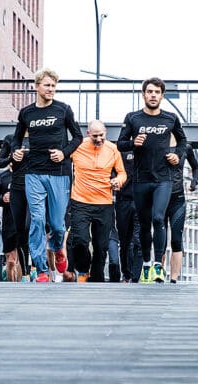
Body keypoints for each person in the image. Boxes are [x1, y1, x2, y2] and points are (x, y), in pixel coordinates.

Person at [11, 68, 82, 283]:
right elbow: (16, 140)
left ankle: (58, 247)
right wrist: (16, 151)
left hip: (59, 174)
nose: (51, 89)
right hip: (34, 173)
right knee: (37, 220)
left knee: (58, 224)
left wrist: (64, 153)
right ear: (37, 86)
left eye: (54, 86)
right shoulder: (26, 113)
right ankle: (42, 270)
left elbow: (78, 137)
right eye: (47, 85)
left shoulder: (63, 110)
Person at [117, 77, 188, 284]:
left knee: (158, 218)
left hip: (163, 179)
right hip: (140, 180)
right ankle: (146, 265)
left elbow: (183, 141)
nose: (153, 95)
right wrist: (132, 143)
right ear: (144, 94)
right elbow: (120, 144)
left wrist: (178, 156)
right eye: (150, 92)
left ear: (162, 96)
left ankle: (158, 265)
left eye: (157, 92)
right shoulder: (133, 118)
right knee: (145, 223)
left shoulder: (171, 118)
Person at [69, 120, 126, 282]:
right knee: (80, 240)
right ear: (88, 134)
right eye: (95, 136)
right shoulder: (77, 147)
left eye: (101, 135)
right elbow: (62, 160)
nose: (99, 139)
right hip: (80, 201)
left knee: (101, 247)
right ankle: (83, 269)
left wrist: (118, 181)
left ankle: (97, 278)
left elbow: (122, 173)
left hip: (104, 203)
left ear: (105, 132)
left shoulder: (113, 149)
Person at [0, 133, 31, 282]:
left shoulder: (29, 177)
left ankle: (23, 282)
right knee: (10, 260)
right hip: (8, 221)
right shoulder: (2, 177)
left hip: (24, 219)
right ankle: (11, 284)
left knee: (21, 256)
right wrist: (3, 199)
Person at [164, 140, 198, 284]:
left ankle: (174, 279)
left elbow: (196, 168)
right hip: (159, 196)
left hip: (177, 197)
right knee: (159, 238)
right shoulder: (158, 142)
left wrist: (194, 181)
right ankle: (158, 275)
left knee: (176, 239)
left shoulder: (185, 147)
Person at [115, 150, 142, 283]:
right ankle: (126, 274)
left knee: (138, 240)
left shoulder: (146, 147)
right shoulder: (119, 149)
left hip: (141, 200)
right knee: (124, 241)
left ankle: (136, 276)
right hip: (123, 200)